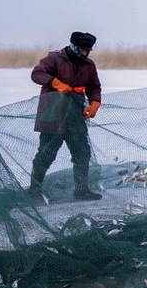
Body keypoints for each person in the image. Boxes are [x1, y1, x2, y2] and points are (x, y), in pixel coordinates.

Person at [29, 32, 103, 200]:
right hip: (52, 112)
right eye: (82, 50)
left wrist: (94, 103)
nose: (85, 53)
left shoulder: (89, 65)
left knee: (82, 152)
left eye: (88, 50)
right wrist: (55, 82)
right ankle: (34, 189)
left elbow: (95, 87)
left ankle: (81, 190)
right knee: (47, 152)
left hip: (75, 113)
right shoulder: (54, 59)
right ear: (73, 46)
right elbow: (36, 74)